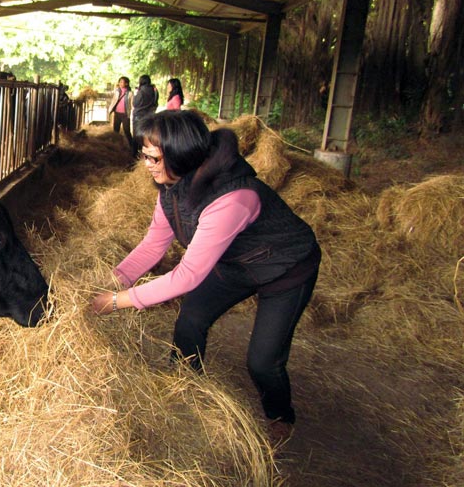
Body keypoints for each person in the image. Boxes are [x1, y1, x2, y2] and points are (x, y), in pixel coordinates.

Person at [90, 110, 320, 442]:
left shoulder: (233, 198)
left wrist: (116, 301)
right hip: (234, 262)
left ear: (179, 154)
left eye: (153, 157)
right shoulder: (172, 187)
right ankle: (183, 387)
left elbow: (187, 277)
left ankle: (280, 415)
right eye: (144, 155)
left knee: (262, 361)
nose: (146, 164)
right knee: (190, 320)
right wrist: (114, 280)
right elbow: (153, 245)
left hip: (286, 268)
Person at [131, 74, 158, 156]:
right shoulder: (154, 90)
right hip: (149, 115)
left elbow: (135, 103)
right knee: (146, 135)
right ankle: (145, 153)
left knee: (136, 136)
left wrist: (135, 94)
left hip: (139, 115)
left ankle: (135, 154)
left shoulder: (141, 91)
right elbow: (155, 102)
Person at [108, 76, 134, 153]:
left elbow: (132, 104)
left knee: (127, 131)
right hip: (117, 113)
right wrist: (110, 109)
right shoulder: (117, 91)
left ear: (126, 84)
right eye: (120, 82)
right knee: (116, 130)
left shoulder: (130, 93)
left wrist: (132, 112)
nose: (121, 83)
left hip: (125, 114)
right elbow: (113, 101)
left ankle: (132, 147)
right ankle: (115, 146)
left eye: (122, 82)